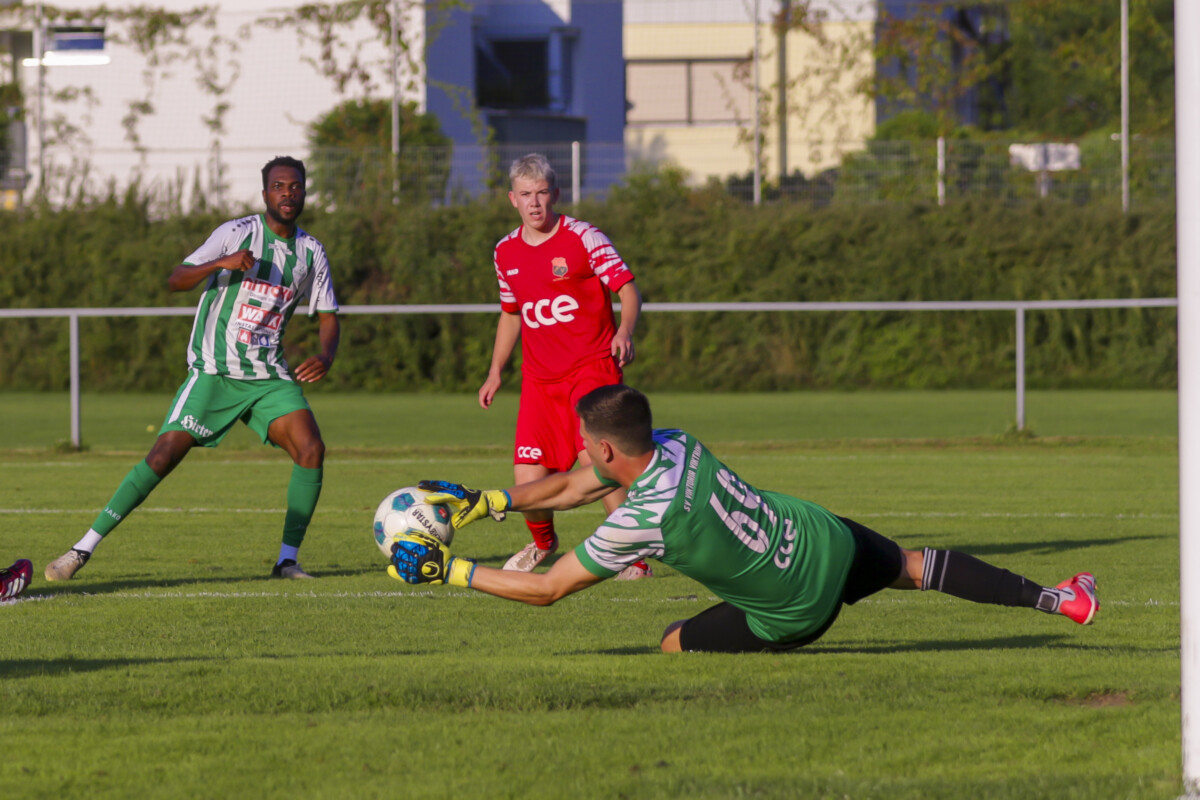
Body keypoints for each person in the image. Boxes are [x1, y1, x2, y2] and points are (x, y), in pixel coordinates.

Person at [387, 385, 1099, 654]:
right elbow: (577, 485)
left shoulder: (641, 519)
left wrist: (447, 569)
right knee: (917, 567)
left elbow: (547, 590)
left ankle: (749, 630)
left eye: (584, 440)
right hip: (822, 535)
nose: (580, 452)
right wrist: (491, 502)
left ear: (607, 447)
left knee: (670, 644)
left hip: (794, 609)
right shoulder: (675, 443)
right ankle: (1062, 600)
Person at [44, 156, 340, 582]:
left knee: (311, 450)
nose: (287, 194)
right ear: (265, 194)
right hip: (214, 373)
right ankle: (81, 550)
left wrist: (326, 355)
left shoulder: (311, 252)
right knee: (163, 456)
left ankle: (287, 561)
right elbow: (176, 279)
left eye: (295, 187)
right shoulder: (237, 233)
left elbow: (329, 316)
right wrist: (218, 264)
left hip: (267, 377)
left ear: (304, 192)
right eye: (278, 186)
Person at [479, 153, 650, 579]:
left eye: (541, 193)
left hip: (591, 369)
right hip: (540, 381)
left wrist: (624, 332)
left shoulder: (583, 237)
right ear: (511, 200)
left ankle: (633, 558)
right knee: (527, 474)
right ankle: (543, 543)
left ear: (555, 194)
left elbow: (628, 290)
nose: (534, 203)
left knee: (598, 465)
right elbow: (512, 312)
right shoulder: (505, 251)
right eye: (525, 195)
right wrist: (496, 369)